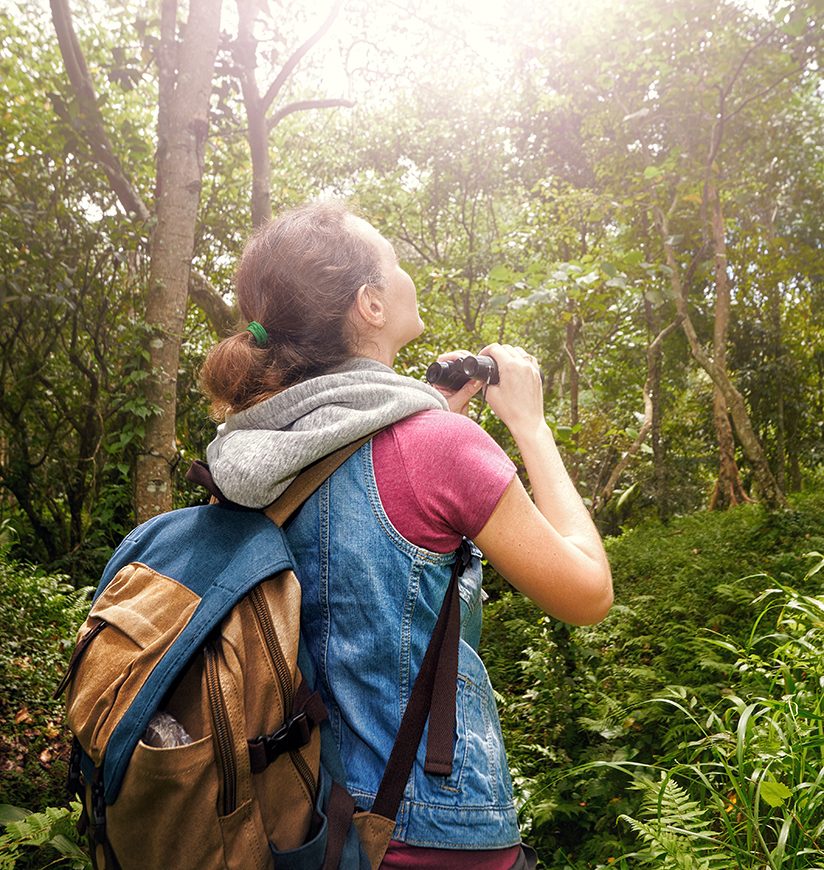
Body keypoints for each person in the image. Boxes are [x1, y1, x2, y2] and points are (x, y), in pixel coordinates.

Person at [199, 201, 612, 869]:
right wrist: (530, 428)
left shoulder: (250, 449)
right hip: (426, 835)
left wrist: (424, 422)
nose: (403, 273)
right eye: (392, 263)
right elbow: (587, 593)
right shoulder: (438, 448)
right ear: (370, 303)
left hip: (298, 823)